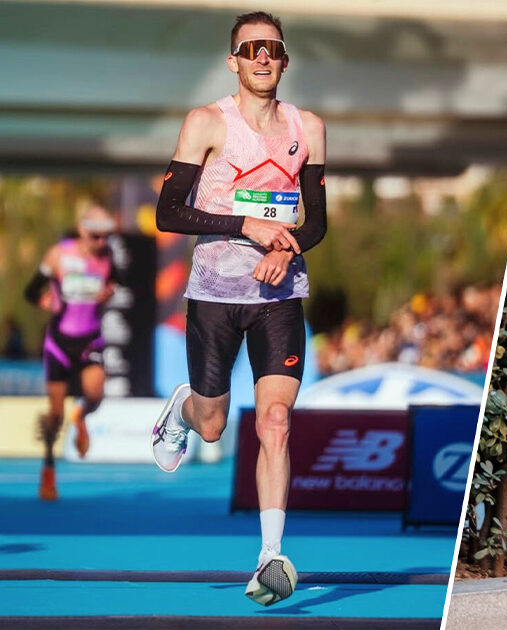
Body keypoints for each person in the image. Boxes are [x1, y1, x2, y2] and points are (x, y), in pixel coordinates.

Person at [150, 11, 327, 606]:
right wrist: (246, 225)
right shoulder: (207, 122)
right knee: (213, 425)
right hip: (215, 295)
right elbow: (169, 214)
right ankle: (184, 405)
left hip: (280, 295)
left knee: (275, 421)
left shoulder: (309, 127)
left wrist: (290, 245)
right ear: (234, 61)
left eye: (272, 49)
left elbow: (318, 219)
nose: (262, 57)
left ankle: (270, 556)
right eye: (250, 48)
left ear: (283, 60)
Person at [24, 203, 116, 500]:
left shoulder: (108, 258)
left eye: (106, 237)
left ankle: (82, 415)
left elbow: (115, 284)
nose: (101, 243)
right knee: (54, 413)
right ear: (81, 231)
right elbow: (30, 292)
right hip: (59, 342)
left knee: (95, 394)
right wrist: (44, 303)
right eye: (95, 237)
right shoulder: (58, 255)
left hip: (89, 338)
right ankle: (48, 470)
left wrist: (106, 293)